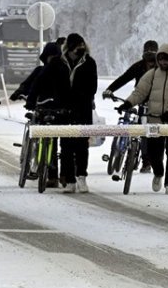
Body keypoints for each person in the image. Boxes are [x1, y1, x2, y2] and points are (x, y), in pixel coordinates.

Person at [27, 33, 98, 193]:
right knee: (66, 146)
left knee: (81, 146)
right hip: (63, 110)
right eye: (76, 46)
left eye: (82, 46)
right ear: (70, 47)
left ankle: (82, 176)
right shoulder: (58, 63)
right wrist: (31, 99)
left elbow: (92, 87)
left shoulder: (89, 63)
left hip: (82, 110)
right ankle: (70, 180)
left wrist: (77, 97)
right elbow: (40, 79)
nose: (80, 49)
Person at [119, 43, 168, 194]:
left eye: (167, 60)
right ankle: (158, 172)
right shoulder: (151, 75)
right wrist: (128, 103)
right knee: (153, 152)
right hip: (154, 120)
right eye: (161, 59)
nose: (164, 63)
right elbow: (140, 92)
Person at [102, 40, 158, 173]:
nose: (149, 55)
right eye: (147, 51)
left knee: (150, 133)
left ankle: (147, 161)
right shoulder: (138, 66)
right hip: (141, 100)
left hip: (156, 104)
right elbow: (124, 78)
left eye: (152, 52)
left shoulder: (161, 68)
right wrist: (110, 89)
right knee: (139, 128)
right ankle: (131, 154)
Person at [13, 41, 63, 187]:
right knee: (49, 139)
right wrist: (20, 92)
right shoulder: (46, 70)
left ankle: (50, 173)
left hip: (49, 109)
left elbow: (30, 85)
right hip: (47, 108)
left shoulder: (54, 71)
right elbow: (29, 84)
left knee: (51, 140)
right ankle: (48, 172)